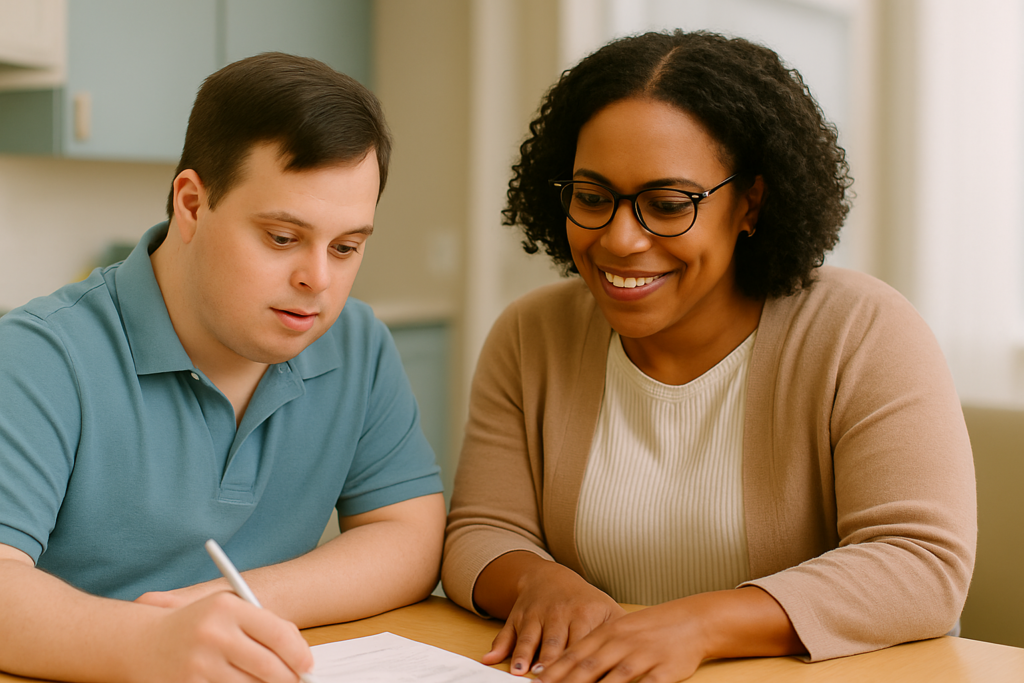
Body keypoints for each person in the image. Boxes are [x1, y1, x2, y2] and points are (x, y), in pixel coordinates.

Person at [442, 30, 976, 683]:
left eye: (667, 205)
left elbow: (920, 563)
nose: (621, 237)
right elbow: (479, 530)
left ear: (751, 203)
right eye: (592, 196)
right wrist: (540, 583)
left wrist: (698, 625)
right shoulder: (532, 334)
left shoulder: (860, 329)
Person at [0, 53, 446, 682]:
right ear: (191, 203)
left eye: (346, 248)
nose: (317, 281)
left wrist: (228, 602)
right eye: (282, 238)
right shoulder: (41, 355)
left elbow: (410, 534)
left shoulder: (358, 343)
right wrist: (149, 643)